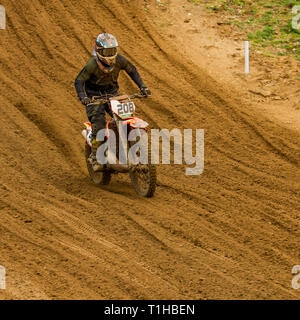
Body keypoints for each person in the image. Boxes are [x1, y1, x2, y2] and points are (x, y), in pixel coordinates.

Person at [75, 33, 151, 170]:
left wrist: (143, 86)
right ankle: (95, 156)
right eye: (107, 52)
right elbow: (79, 81)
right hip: (94, 98)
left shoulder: (119, 60)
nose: (110, 55)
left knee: (125, 116)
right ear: (99, 51)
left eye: (112, 51)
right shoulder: (92, 65)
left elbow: (132, 70)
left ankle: (126, 146)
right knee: (99, 122)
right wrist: (83, 97)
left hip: (113, 95)